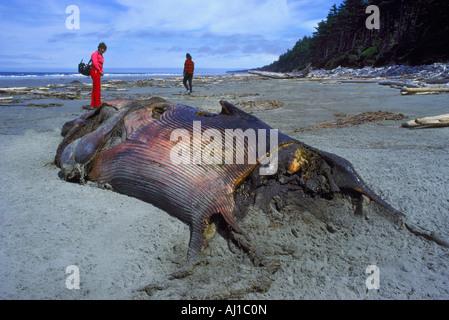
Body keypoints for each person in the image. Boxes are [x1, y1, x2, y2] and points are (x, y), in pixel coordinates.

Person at [90, 42, 107, 108]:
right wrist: (99, 71)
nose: (103, 50)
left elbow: (101, 65)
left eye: (104, 49)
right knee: (97, 88)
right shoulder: (95, 53)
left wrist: (101, 71)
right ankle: (97, 104)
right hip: (95, 71)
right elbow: (94, 63)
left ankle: (94, 104)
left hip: (98, 72)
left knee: (96, 88)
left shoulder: (101, 55)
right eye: (102, 48)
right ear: (99, 48)